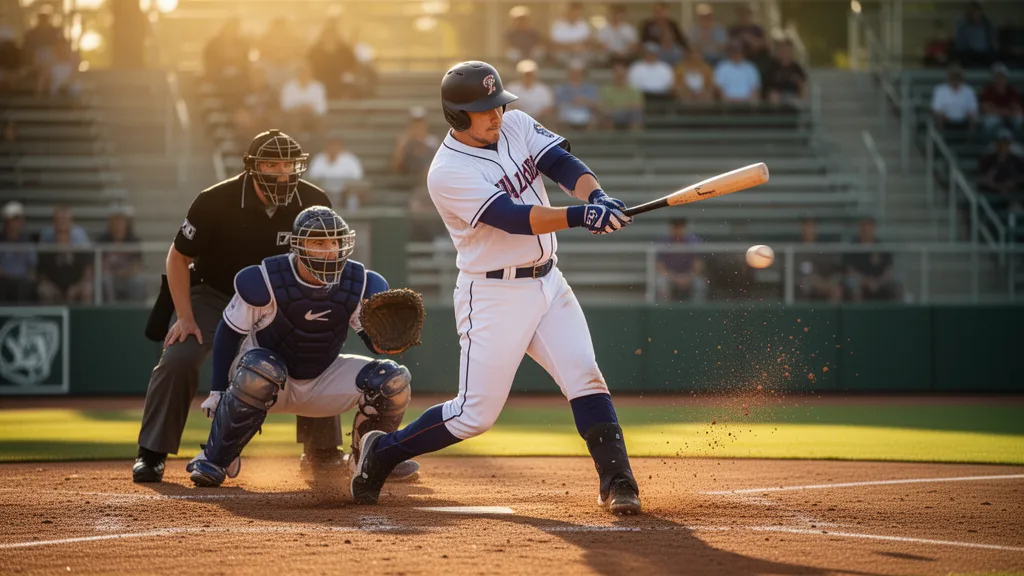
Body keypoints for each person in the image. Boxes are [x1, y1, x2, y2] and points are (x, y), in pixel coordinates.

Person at [349, 61, 642, 516]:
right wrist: (580, 216)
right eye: (484, 109)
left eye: (497, 105)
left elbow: (561, 163)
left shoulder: (516, 124)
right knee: (474, 416)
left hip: (549, 282)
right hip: (493, 295)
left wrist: (595, 196)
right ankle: (382, 451)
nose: (496, 115)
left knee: (585, 374)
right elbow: (512, 218)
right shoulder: (446, 172)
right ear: (456, 116)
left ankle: (617, 480)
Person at [133, 130, 343, 485]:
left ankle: (321, 452)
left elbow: (323, 258)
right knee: (179, 357)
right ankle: (151, 453)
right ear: (251, 167)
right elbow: (178, 257)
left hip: (281, 298)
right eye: (270, 163)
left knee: (315, 349)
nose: (281, 172)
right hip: (215, 294)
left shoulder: (313, 200)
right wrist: (184, 316)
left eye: (288, 163)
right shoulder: (215, 201)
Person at [186, 206, 419, 488]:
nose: (330, 250)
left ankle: (375, 456)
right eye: (319, 242)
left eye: (335, 241)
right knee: (262, 368)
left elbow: (372, 342)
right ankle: (215, 458)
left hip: (322, 378)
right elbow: (228, 333)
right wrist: (217, 390)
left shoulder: (359, 283)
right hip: (262, 380)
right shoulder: (266, 279)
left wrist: (387, 343)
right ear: (298, 245)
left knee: (393, 380)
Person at [843, 217, 900, 302]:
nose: (866, 230)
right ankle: (858, 313)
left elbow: (888, 271)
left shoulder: (881, 247)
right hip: (861, 282)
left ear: (874, 228)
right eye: (864, 226)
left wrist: (878, 282)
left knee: (897, 288)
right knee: (853, 285)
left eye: (869, 226)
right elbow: (850, 271)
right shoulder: (852, 246)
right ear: (860, 228)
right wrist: (867, 282)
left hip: (879, 282)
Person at [306, 134, 366, 211]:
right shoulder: (318, 158)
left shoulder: (350, 159)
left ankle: (352, 215)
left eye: (336, 146)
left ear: (341, 147)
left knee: (353, 194)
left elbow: (358, 177)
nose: (333, 148)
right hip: (325, 191)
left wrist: (345, 188)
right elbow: (313, 177)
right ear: (326, 147)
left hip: (346, 190)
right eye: (331, 146)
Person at [97, 208, 145, 303]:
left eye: (121, 222)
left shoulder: (133, 240)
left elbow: (137, 266)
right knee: (105, 280)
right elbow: (99, 264)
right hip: (110, 275)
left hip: (128, 276)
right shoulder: (103, 240)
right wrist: (112, 271)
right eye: (115, 222)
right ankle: (110, 309)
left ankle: (135, 310)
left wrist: (125, 273)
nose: (118, 226)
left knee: (137, 281)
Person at [655, 218, 707, 302]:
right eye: (675, 227)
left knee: (700, 284)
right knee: (661, 283)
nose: (677, 230)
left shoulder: (693, 241)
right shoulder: (664, 242)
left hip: (690, 275)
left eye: (680, 227)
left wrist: (689, 276)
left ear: (684, 228)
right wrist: (674, 277)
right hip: (669, 275)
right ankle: (665, 312)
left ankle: (696, 312)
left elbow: (698, 263)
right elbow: (659, 265)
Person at [795, 219, 841, 303]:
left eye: (811, 227)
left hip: (823, 281)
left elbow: (830, 268)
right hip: (805, 282)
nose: (809, 230)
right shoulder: (796, 249)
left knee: (836, 289)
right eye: (806, 227)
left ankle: (831, 315)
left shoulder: (823, 248)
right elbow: (798, 271)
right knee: (804, 286)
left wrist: (822, 281)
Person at [0, 201, 37, 303]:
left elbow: (32, 266)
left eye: (18, 220)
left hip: (22, 282)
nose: (15, 224)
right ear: (5, 222)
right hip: (3, 281)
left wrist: (31, 274)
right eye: (12, 220)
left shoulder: (27, 242)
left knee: (26, 287)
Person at [979, 63, 1022, 139]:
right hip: (994, 116)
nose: (1001, 79)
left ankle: (1016, 141)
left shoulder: (1011, 91)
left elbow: (1018, 108)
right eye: (998, 77)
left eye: (1003, 77)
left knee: (1019, 119)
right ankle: (987, 143)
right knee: (991, 121)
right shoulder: (988, 91)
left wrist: (1007, 112)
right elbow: (986, 109)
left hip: (1009, 116)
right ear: (994, 78)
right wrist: (1003, 112)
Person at [554, 61, 600, 131]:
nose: (575, 74)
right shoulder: (562, 88)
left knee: (592, 122)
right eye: (573, 72)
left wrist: (585, 101)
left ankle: (588, 141)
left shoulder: (590, 87)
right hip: (567, 111)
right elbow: (558, 104)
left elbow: (595, 103)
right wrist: (571, 102)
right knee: (561, 121)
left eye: (578, 72)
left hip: (585, 111)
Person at [930, 66, 978, 130]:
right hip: (945, 120)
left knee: (973, 118)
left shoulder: (969, 91)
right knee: (937, 117)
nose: (955, 80)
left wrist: (967, 116)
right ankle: (941, 137)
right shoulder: (940, 90)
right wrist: (944, 116)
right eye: (953, 78)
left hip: (964, 120)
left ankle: (969, 138)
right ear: (949, 78)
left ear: (961, 78)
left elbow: (972, 108)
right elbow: (936, 107)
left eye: (957, 77)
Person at [953, 1, 998, 68]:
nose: (976, 16)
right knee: (963, 55)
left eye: (978, 13)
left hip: (986, 54)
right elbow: (959, 45)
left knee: (994, 55)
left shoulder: (988, 26)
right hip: (969, 54)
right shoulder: (963, 27)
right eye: (974, 14)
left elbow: (994, 42)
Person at [600, 62, 644, 131]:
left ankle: (634, 140)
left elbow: (638, 105)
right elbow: (603, 105)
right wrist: (625, 106)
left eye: (622, 75)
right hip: (612, 113)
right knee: (606, 115)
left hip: (629, 113)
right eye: (617, 75)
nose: (619, 77)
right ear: (613, 75)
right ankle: (608, 139)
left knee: (636, 115)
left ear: (626, 75)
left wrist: (616, 106)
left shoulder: (633, 89)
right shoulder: (606, 89)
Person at [764, 39, 807, 105]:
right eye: (783, 50)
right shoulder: (772, 67)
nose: (785, 53)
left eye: (787, 50)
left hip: (793, 96)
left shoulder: (797, 68)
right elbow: (767, 87)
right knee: (774, 96)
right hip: (777, 97)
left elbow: (802, 85)